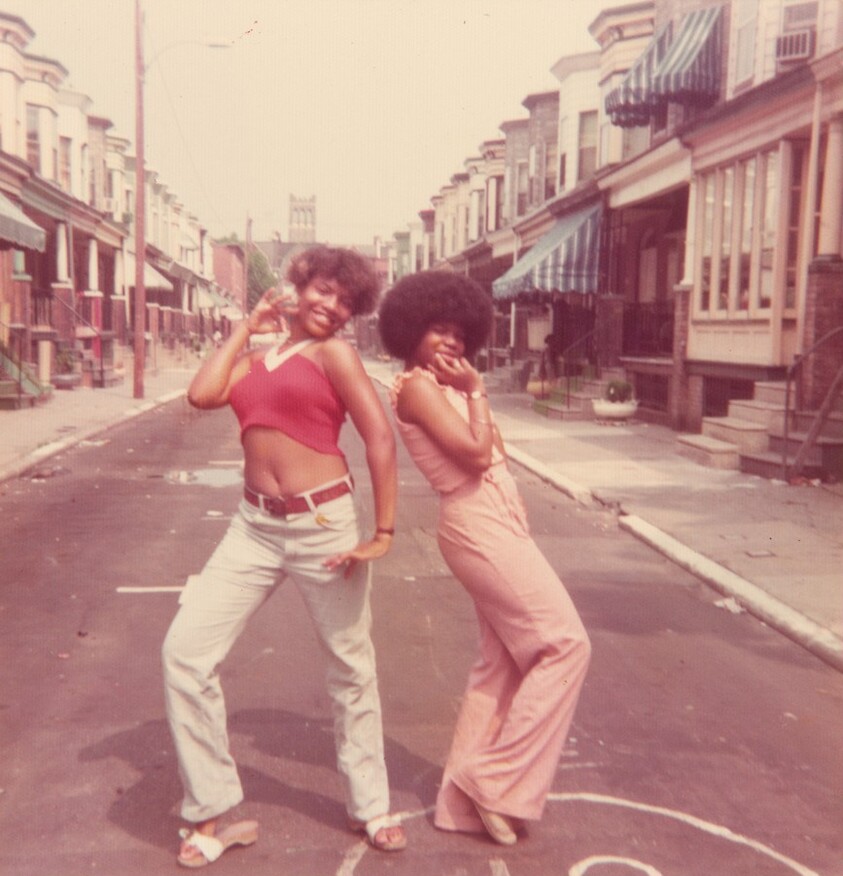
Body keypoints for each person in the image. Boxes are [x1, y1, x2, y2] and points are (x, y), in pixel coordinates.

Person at [162, 245, 406, 868]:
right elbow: (201, 393)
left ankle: (372, 806)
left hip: (325, 526)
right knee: (185, 654)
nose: (331, 306)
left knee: (351, 667)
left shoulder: (336, 355)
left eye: (345, 301)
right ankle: (210, 806)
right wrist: (247, 322)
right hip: (252, 527)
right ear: (299, 286)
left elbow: (379, 438)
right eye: (323, 290)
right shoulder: (255, 359)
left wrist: (383, 529)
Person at [378, 271, 590, 846]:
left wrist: (473, 394)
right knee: (566, 644)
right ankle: (491, 782)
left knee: (499, 665)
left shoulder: (442, 384)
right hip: (477, 523)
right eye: (436, 331)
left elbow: (490, 446)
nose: (450, 342)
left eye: (458, 333)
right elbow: (475, 456)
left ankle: (460, 805)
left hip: (497, 516)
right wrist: (475, 391)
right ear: (408, 333)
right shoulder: (417, 387)